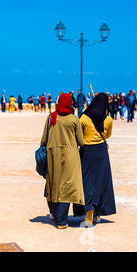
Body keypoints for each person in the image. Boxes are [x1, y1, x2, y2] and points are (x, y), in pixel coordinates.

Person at [40, 93, 85, 229]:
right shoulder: (74, 119)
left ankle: (55, 214)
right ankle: (62, 221)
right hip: (70, 156)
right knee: (68, 186)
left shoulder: (51, 117)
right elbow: (81, 141)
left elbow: (43, 139)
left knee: (53, 183)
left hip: (52, 154)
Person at [74, 93, 116, 226]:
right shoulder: (108, 119)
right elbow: (107, 135)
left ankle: (88, 212)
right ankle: (98, 213)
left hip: (87, 152)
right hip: (102, 153)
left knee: (87, 182)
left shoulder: (84, 118)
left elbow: (78, 135)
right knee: (102, 183)